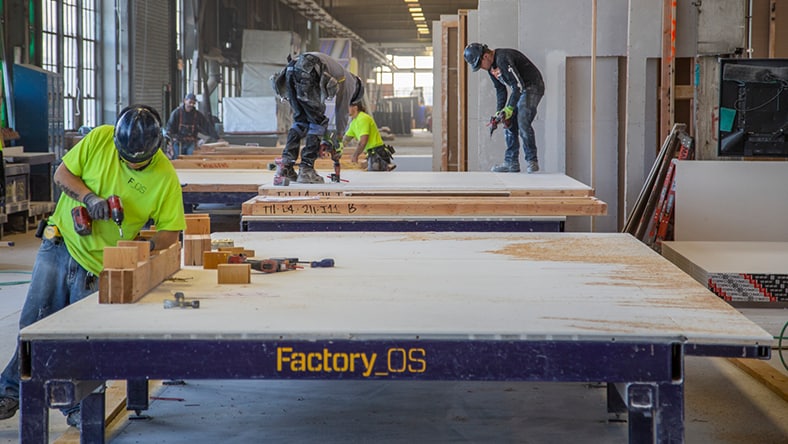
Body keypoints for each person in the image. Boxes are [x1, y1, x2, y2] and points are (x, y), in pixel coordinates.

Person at [0, 105, 186, 427]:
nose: (129, 163)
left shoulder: (165, 176)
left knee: (80, 339)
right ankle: (11, 392)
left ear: (156, 150)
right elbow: (62, 173)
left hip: (102, 266)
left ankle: (74, 405)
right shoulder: (100, 138)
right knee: (33, 325)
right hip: (60, 245)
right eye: (125, 156)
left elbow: (171, 232)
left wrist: (142, 247)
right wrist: (89, 198)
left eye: (137, 162)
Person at [271, 52, 364, 183]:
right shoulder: (350, 82)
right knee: (318, 122)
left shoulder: (338, 72)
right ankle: (306, 169)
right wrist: (338, 139)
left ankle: (286, 166)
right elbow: (341, 112)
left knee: (301, 122)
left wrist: (326, 138)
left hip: (290, 70)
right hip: (308, 69)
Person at [464, 42, 545, 173]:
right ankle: (511, 162)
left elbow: (517, 86)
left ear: (485, 56)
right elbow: (500, 90)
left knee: (522, 119)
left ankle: (532, 160)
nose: (481, 68)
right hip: (520, 89)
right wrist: (500, 112)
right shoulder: (491, 68)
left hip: (532, 86)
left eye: (480, 64)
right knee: (508, 121)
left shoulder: (503, 58)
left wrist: (509, 109)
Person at [343, 101, 396, 171]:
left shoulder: (363, 119)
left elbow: (363, 141)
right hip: (372, 154)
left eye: (347, 107)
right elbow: (345, 140)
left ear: (355, 108)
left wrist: (355, 155)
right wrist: (332, 148)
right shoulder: (354, 123)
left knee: (375, 180)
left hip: (377, 154)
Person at [165, 93, 219, 159]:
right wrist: (170, 139)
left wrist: (217, 138)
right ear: (185, 101)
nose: (191, 105)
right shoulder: (176, 113)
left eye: (193, 103)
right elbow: (169, 127)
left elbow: (207, 126)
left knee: (190, 160)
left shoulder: (197, 115)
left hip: (191, 143)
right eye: (190, 102)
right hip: (178, 143)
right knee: (177, 160)